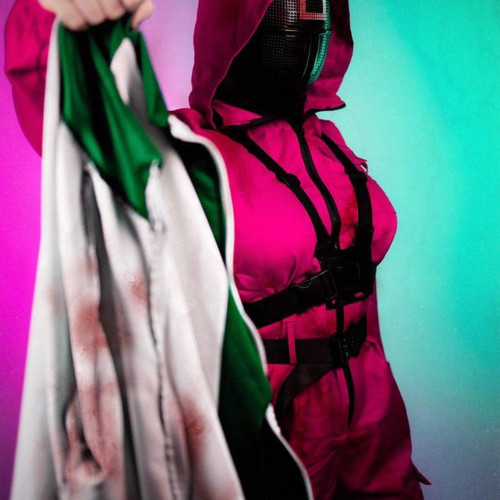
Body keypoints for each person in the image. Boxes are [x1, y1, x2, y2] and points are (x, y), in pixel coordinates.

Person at [6, 0, 429, 498]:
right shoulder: (188, 154)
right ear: (237, 22)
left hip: (372, 420)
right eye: (284, 11)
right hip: (265, 423)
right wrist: (53, 17)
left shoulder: (328, 144)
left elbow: (358, 292)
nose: (301, 30)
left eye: (314, 11)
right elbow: (73, 114)